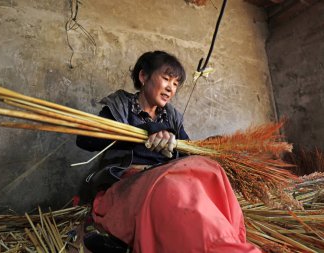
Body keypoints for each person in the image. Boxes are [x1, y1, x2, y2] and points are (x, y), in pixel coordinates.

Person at [76, 51, 262, 253]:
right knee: (171, 186)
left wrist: (197, 148)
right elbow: (85, 139)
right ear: (143, 76)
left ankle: (225, 241)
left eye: (175, 84)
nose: (170, 88)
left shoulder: (171, 116)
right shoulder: (121, 106)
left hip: (167, 174)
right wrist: (145, 131)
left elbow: (189, 155)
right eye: (166, 79)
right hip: (129, 180)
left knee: (211, 169)